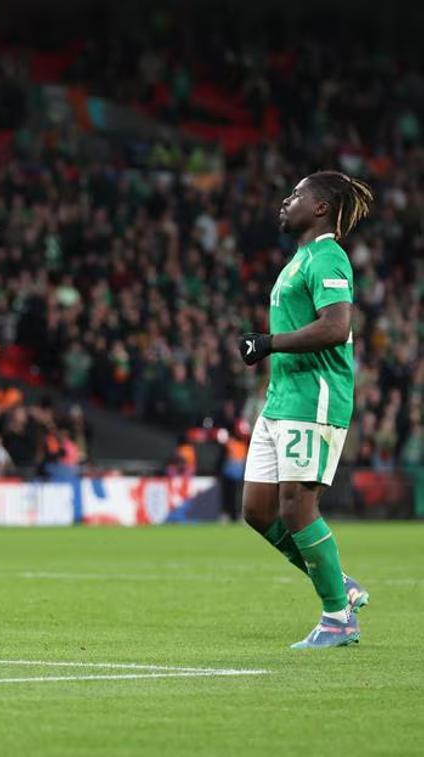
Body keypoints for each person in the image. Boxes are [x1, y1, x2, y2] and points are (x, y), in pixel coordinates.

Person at [236, 170, 373, 649]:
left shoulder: (329, 256)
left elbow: (336, 326)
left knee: (297, 507)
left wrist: (269, 342)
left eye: (296, 195)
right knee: (257, 509)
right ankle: (341, 584)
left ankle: (337, 616)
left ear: (319, 208)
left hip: (313, 397)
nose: (285, 201)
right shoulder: (301, 259)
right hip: (281, 399)